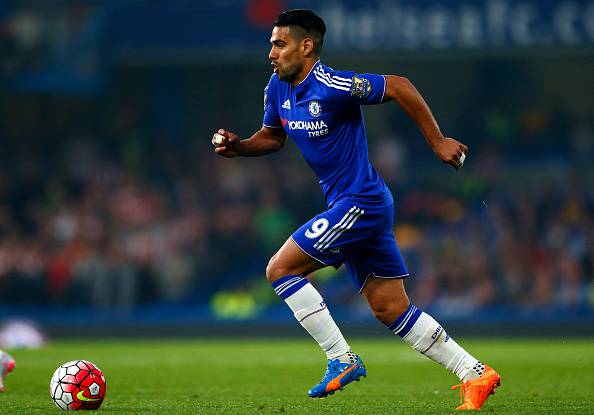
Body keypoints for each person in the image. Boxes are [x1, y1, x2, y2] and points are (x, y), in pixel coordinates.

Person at [212, 9, 500, 410]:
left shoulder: (332, 85)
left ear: (306, 46)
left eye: (279, 44)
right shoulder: (277, 88)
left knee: (280, 269)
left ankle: (341, 358)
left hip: (360, 203)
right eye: (271, 45)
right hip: (356, 205)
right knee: (390, 308)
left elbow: (398, 86)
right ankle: (475, 372)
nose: (271, 54)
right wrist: (240, 147)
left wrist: (436, 141)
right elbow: (273, 137)